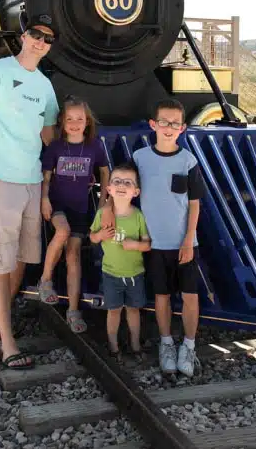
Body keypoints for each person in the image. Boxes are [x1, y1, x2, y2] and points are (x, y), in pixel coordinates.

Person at [0, 14, 60, 369]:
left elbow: (49, 136)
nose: (40, 41)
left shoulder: (45, 87)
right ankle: (7, 343)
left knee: (19, 258)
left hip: (31, 180)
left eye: (48, 39)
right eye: (36, 34)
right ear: (24, 36)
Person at [102, 98, 204, 376]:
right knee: (161, 296)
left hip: (183, 243)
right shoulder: (140, 158)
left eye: (174, 124)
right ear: (153, 125)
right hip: (153, 244)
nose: (168, 128)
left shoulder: (188, 160)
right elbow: (123, 188)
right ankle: (167, 343)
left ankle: (190, 345)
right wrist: (108, 209)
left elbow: (195, 203)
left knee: (190, 296)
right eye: (164, 122)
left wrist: (188, 239)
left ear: (182, 128)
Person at [37, 96, 110, 333]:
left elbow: (104, 172)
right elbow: (46, 176)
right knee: (63, 231)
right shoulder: (57, 146)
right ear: (62, 122)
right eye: (70, 119)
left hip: (80, 208)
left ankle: (73, 310)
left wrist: (102, 203)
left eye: (79, 119)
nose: (75, 123)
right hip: (58, 204)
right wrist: (45, 199)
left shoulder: (94, 146)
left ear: (87, 121)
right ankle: (45, 280)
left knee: (73, 255)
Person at [90, 162, 151, 360]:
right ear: (108, 189)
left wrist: (135, 245)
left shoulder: (138, 216)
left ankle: (135, 344)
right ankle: (113, 345)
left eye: (128, 182)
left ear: (136, 191)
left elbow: (147, 244)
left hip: (135, 273)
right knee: (113, 311)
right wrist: (100, 235)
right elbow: (92, 237)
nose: (122, 185)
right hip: (111, 273)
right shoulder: (102, 214)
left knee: (133, 310)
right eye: (117, 181)